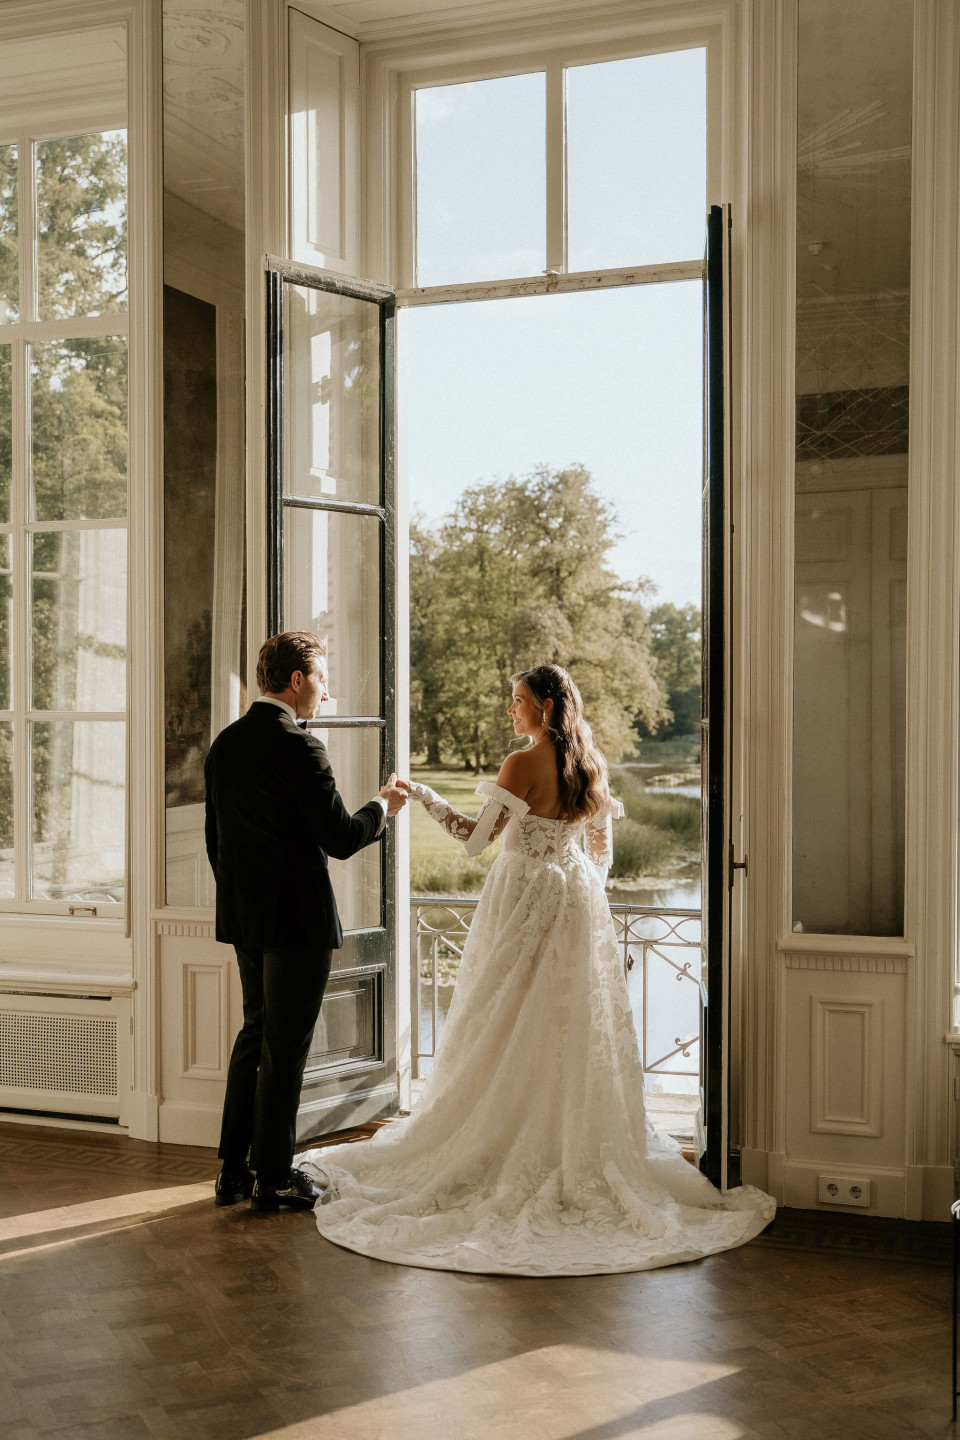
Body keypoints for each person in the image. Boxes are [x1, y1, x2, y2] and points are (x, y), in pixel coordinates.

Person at [301, 663, 774, 1274]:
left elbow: (474, 843)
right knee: (567, 1022)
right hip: (576, 904)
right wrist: (573, 888)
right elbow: (601, 854)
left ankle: (508, 1133)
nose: (511, 710)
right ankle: (563, 1136)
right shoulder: (590, 765)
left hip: (522, 898)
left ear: (547, 707)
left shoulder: (522, 764)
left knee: (501, 1014)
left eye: (519, 700)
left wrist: (421, 796)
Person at [205, 631, 407, 1213]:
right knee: (286, 1049)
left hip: (247, 919)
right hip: (297, 923)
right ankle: (273, 1178)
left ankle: (232, 1174)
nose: (326, 691)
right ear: (297, 681)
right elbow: (342, 838)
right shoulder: (300, 747)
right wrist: (383, 808)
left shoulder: (227, 743)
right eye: (321, 679)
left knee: (253, 1038)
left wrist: (245, 903)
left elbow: (216, 843)